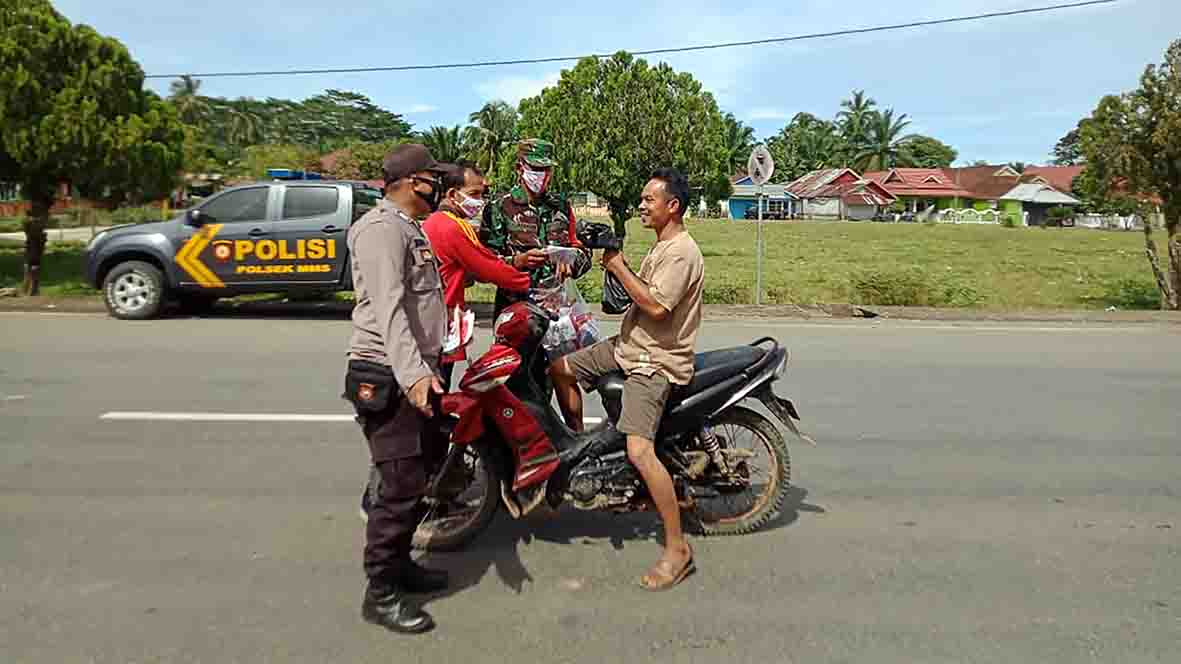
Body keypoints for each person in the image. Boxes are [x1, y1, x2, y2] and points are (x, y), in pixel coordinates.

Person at [549, 168, 704, 591]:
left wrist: (616, 265)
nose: (641, 205)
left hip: (654, 361)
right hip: (627, 346)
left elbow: (656, 308)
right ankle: (578, 449)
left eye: (648, 199)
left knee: (639, 450)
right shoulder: (661, 246)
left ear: (672, 205)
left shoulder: (681, 252)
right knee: (559, 369)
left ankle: (678, 550)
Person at [343, 143, 450, 634]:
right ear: (410, 181)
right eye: (432, 177)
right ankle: (380, 592)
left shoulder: (409, 228)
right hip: (387, 373)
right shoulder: (382, 230)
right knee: (400, 484)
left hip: (414, 369)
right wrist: (413, 376)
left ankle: (401, 566)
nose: (438, 186)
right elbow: (388, 311)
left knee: (422, 472)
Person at [422, 161, 538, 386]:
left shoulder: (436, 222)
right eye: (473, 193)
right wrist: (529, 284)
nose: (480, 201)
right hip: (443, 318)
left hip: (435, 315)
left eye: (482, 193)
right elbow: (489, 267)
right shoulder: (452, 227)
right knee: (437, 388)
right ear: (452, 194)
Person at [480, 138, 592, 316]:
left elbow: (580, 249)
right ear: (519, 168)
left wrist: (571, 263)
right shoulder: (498, 207)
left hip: (559, 310)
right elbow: (484, 262)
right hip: (516, 311)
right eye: (536, 169)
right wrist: (518, 261)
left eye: (547, 169)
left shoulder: (561, 206)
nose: (542, 175)